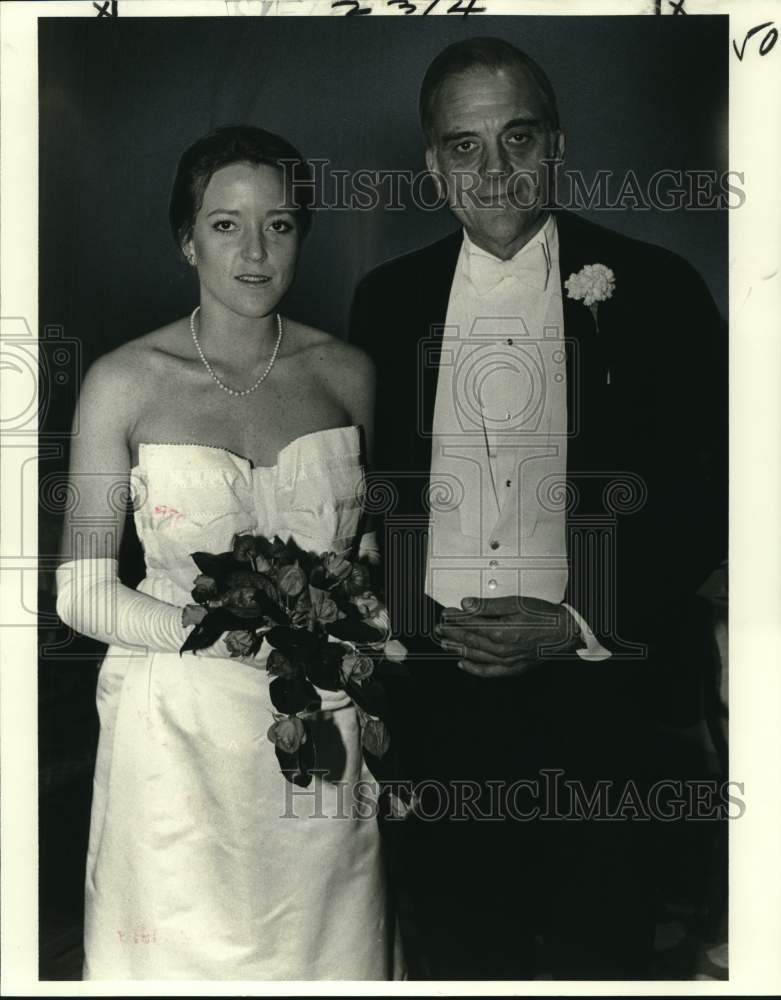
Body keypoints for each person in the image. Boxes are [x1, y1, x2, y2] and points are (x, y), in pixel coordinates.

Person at [349, 37, 727, 979]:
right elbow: (373, 493)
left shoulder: (658, 288)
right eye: (464, 146)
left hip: (603, 701)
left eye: (517, 137)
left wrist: (574, 624)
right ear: (433, 165)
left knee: (598, 960)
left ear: (556, 144)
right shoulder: (383, 303)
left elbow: (716, 493)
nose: (495, 169)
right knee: (450, 958)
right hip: (430, 705)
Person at [56, 125, 404, 980]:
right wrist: (226, 632)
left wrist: (360, 631)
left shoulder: (348, 373)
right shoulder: (124, 381)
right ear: (186, 238)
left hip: (317, 727)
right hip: (174, 735)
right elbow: (81, 593)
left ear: (301, 236)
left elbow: (358, 559)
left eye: (279, 225)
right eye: (224, 224)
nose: (254, 250)